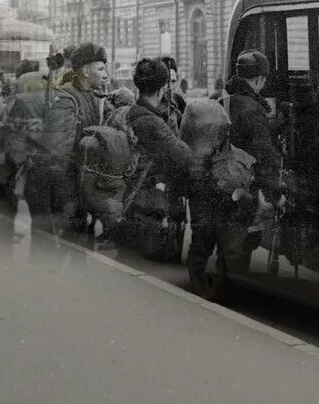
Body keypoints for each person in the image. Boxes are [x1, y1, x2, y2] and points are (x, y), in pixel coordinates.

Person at [181, 98, 257, 296]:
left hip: (209, 201)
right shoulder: (239, 157)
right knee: (222, 245)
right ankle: (215, 286)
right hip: (222, 205)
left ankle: (202, 285)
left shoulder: (191, 154)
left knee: (203, 241)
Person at [29, 42, 105, 236]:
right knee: (64, 245)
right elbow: (58, 156)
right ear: (86, 71)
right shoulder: (67, 100)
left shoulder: (91, 97)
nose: (106, 74)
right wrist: (70, 202)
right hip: (65, 193)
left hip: (80, 187)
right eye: (101, 68)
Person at [119, 58, 192, 260]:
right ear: (161, 89)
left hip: (131, 195)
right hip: (148, 199)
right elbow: (183, 153)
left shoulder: (131, 111)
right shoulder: (153, 121)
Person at [226, 51, 286, 200]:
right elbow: (264, 153)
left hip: (226, 179)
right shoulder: (253, 108)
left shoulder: (224, 98)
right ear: (259, 79)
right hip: (246, 184)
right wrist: (275, 196)